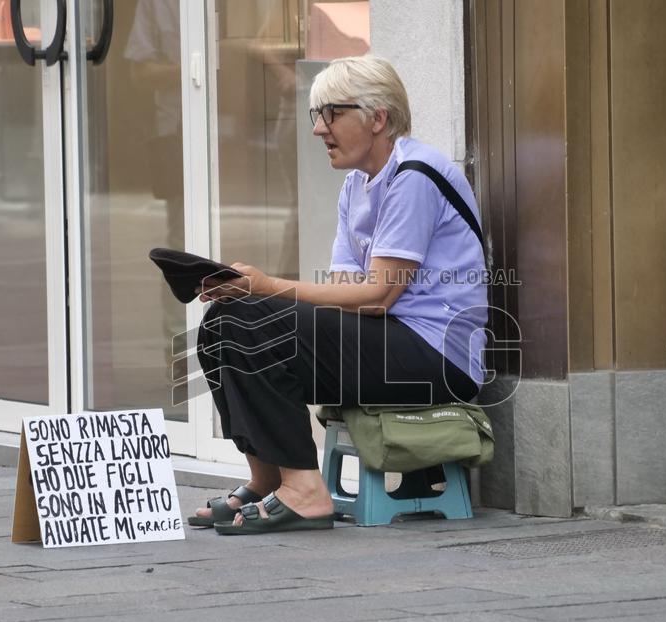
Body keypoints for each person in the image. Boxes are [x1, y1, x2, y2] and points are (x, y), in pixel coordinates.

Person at [190, 55, 488, 535]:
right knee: (224, 324)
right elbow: (346, 292)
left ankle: (306, 492)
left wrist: (267, 286)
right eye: (317, 115)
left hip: (438, 359)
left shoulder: (415, 175)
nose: (318, 129)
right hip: (388, 338)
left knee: (253, 319)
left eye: (331, 114)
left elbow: (377, 297)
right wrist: (252, 293)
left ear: (378, 118)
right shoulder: (355, 186)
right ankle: (268, 478)